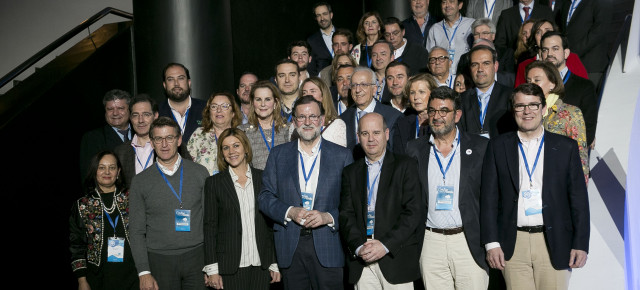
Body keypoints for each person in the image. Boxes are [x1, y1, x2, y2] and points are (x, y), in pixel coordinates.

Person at [481, 83, 590, 290]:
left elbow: (578, 200)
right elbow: (488, 198)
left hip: (554, 242)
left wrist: (580, 243)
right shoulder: (497, 147)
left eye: (533, 105)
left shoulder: (565, 147)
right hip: (513, 243)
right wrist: (491, 243)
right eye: (521, 106)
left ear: (543, 109)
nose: (527, 111)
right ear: (514, 110)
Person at [258, 95, 354, 290]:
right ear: (294, 121)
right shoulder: (278, 155)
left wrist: (328, 217)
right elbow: (265, 197)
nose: (308, 122)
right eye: (302, 117)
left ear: (322, 120)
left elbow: (351, 203)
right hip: (290, 245)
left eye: (313, 117)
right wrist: (289, 211)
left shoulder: (342, 156)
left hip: (328, 244)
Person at [405, 86, 490, 289]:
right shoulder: (414, 149)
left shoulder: (481, 147)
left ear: (457, 115)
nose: (437, 116)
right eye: (432, 111)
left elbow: (491, 198)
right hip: (430, 242)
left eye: (444, 111)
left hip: (467, 240)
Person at [339, 112, 424, 289]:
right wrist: (358, 247)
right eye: (365, 134)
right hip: (362, 261)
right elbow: (346, 215)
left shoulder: (406, 166)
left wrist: (385, 245)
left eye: (376, 133)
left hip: (395, 258)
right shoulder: (350, 172)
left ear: (386, 134)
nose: (371, 139)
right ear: (358, 137)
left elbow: (413, 212)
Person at [129, 117, 210, 290]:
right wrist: (143, 272)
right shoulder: (140, 181)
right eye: (158, 139)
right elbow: (136, 231)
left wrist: (211, 264)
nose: (164, 144)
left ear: (179, 140)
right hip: (159, 261)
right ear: (152, 143)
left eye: (170, 138)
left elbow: (209, 222)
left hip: (197, 258)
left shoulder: (200, 173)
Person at [203, 128, 280, 290]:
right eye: (226, 147)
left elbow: (270, 225)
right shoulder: (214, 183)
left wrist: (273, 261)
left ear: (246, 148)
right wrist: (212, 269)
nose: (231, 151)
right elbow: (210, 228)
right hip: (230, 266)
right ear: (222, 153)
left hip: (261, 264)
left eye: (236, 145)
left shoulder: (263, 178)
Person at [70, 151, 138, 290]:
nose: (107, 172)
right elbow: (76, 245)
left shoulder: (133, 198)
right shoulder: (83, 205)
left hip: (133, 277)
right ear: (95, 171)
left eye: (112, 167)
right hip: (98, 278)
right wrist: (82, 281)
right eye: (101, 167)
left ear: (118, 171)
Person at [525, 60, 589, 182]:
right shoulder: (525, 113)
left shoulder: (570, 113)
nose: (531, 85)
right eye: (528, 81)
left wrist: (579, 192)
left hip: (561, 182)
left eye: (537, 80)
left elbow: (581, 156)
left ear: (552, 84)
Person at [540, 31, 597, 147]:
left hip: (569, 155)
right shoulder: (535, 86)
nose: (549, 53)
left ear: (566, 53)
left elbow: (588, 130)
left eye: (555, 48)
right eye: (545, 50)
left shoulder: (584, 86)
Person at [340, 66, 402, 153]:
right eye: (354, 85)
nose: (357, 90)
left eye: (363, 85)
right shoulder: (342, 119)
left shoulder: (393, 117)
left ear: (374, 89)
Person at [459, 45, 515, 139]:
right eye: (475, 64)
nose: (480, 69)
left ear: (495, 66)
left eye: (486, 63)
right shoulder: (460, 100)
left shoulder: (511, 96)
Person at [514, 18, 588, 87]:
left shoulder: (572, 58)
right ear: (534, 37)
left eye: (547, 30)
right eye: (538, 32)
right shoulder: (524, 65)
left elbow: (584, 86)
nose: (543, 34)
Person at [555, 0, 610, 90]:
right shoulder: (565, 3)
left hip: (591, 66)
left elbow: (599, 32)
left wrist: (573, 53)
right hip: (570, 66)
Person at [238, 81, 292, 170]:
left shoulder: (289, 129)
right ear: (252, 102)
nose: (263, 104)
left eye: (267, 99)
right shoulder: (243, 132)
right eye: (258, 99)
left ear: (275, 103)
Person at [79, 89, 131, 181]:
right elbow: (88, 176)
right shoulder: (92, 138)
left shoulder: (143, 134)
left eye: (120, 108)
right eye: (110, 109)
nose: (115, 113)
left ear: (129, 109)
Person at [187, 92, 242, 175]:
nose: (219, 110)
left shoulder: (241, 135)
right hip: (204, 186)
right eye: (214, 106)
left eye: (224, 106)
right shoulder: (198, 134)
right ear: (209, 112)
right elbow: (188, 166)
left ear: (233, 113)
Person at [114, 94, 159, 188]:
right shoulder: (120, 152)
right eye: (135, 115)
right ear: (130, 118)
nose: (140, 120)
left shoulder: (169, 146)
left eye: (146, 114)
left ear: (155, 116)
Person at [158, 63, 207, 144]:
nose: (176, 83)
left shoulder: (206, 109)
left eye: (181, 78)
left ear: (189, 82)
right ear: (164, 85)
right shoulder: (157, 112)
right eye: (170, 79)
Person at [392, 73, 439, 155]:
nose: (416, 97)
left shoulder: (440, 121)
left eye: (421, 92)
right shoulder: (402, 123)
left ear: (433, 94)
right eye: (412, 93)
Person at [426, 0, 474, 75]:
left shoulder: (471, 25)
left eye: (451, 2)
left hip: (466, 77)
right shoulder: (435, 29)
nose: (447, 5)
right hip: (442, 78)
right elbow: (430, 57)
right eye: (444, 2)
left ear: (460, 5)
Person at [300, 77, 347, 147]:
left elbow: (339, 155)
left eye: (312, 91)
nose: (308, 95)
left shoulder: (337, 125)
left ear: (323, 95)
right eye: (304, 92)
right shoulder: (296, 124)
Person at [307, 2, 335, 77]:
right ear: (316, 18)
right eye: (318, 15)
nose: (322, 18)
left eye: (325, 14)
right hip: (323, 83)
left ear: (331, 15)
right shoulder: (311, 41)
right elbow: (311, 68)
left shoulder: (343, 35)